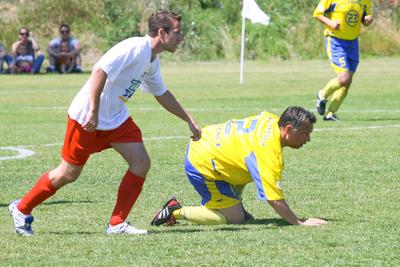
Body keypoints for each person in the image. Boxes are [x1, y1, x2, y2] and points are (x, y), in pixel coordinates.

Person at [9, 10, 201, 236]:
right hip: (87, 117)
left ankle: (117, 223)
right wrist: (93, 110)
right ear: (162, 32)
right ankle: (21, 209)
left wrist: (188, 119)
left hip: (115, 119)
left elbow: (162, 94)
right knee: (67, 174)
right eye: (177, 33)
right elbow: (99, 70)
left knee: (141, 162)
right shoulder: (135, 48)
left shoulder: (152, 60)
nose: (180, 38)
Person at [151, 106, 327, 227]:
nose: (308, 139)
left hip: (210, 142)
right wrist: (299, 222)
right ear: (287, 129)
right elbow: (273, 198)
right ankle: (175, 211)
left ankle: (232, 203)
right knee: (235, 218)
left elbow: (261, 117)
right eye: (305, 133)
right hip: (202, 161)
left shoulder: (273, 120)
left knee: (246, 166)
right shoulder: (268, 150)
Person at [313, 0, 374, 121]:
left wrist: (367, 20)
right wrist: (330, 23)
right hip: (336, 40)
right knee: (343, 78)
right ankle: (322, 94)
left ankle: (330, 113)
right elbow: (317, 13)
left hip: (353, 42)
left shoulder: (365, 1)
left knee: (347, 81)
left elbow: (363, 19)